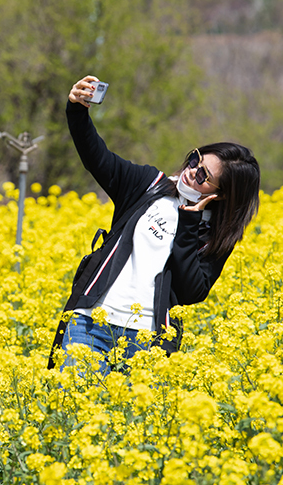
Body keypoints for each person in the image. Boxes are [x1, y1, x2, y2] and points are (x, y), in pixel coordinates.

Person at [49, 75, 261, 375]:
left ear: (221, 193)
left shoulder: (213, 233)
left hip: (146, 340)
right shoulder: (147, 185)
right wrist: (77, 110)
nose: (190, 173)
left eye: (203, 176)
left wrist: (189, 221)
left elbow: (192, 292)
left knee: (128, 421)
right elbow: (96, 156)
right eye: (194, 161)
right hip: (89, 324)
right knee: (72, 412)